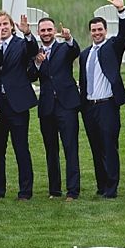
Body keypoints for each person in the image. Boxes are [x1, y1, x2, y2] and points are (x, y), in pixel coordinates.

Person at [78, 0, 125, 199]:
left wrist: (121, 11)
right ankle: (101, 185)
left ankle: (112, 187)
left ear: (105, 30)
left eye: (100, 29)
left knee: (109, 146)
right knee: (96, 147)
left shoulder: (112, 47)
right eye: (93, 30)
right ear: (90, 32)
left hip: (107, 105)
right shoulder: (84, 54)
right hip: (89, 106)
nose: (97, 33)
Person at [0, 11, 39, 200]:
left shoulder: (21, 44)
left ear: (12, 26)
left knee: (21, 149)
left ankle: (25, 191)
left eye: (5, 24)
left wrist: (28, 34)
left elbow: (33, 51)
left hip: (18, 105)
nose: (2, 27)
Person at [29, 17, 81, 201]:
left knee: (70, 148)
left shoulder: (63, 48)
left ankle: (73, 191)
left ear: (54, 31)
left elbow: (75, 50)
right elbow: (30, 76)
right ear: (38, 33)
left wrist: (69, 38)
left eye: (49, 30)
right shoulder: (35, 52)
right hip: (47, 107)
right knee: (51, 150)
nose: (46, 33)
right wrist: (37, 62)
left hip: (67, 105)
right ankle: (54, 190)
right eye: (42, 30)